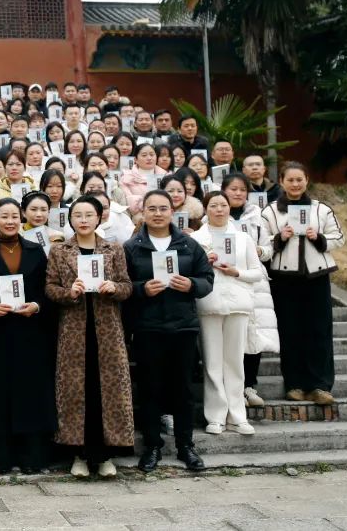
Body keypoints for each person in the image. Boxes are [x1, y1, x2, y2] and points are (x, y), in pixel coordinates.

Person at [124, 190, 214, 473]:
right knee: (150, 389)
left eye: (163, 208)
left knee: (183, 390)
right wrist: (141, 289)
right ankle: (152, 446)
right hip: (148, 328)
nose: (158, 213)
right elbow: (122, 285)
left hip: (183, 327)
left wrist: (191, 286)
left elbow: (207, 280)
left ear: (172, 211)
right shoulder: (132, 247)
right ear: (143, 213)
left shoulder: (188, 245)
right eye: (152, 208)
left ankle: (186, 446)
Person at [45, 196, 134, 478]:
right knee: (75, 390)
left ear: (99, 218)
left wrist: (114, 287)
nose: (83, 220)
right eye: (78, 215)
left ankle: (105, 456)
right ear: (70, 219)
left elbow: (127, 286)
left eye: (89, 215)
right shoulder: (60, 251)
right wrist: (68, 292)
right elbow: (49, 288)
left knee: (105, 391)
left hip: (106, 329)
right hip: (74, 329)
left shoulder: (114, 249)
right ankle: (79, 455)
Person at [260, 162, 345, 405]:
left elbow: (338, 237)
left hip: (316, 277)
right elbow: (261, 242)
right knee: (290, 330)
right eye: (290, 180)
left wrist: (317, 237)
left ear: (307, 180)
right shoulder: (271, 211)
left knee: (319, 330)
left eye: (300, 179)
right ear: (282, 182)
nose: (295, 184)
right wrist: (280, 238)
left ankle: (320, 385)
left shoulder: (321, 209)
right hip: (283, 279)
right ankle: (294, 383)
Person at [0, 199, 57, 473]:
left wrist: (36, 306)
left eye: (15, 216)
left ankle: (32, 456)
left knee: (30, 393)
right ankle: (2, 456)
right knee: (0, 394)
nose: (10, 221)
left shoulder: (36, 251)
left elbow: (46, 290)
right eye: (5, 216)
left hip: (31, 332)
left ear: (22, 217)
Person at [190, 191, 264, 436]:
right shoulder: (197, 239)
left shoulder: (243, 238)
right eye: (213, 205)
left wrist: (236, 272)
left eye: (223, 205)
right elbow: (189, 272)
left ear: (229, 208)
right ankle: (216, 415)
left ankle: (237, 414)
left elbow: (257, 272)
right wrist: (204, 262)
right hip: (209, 304)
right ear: (205, 209)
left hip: (238, 303)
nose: (219, 209)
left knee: (234, 361)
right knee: (212, 362)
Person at [221, 173, 278, 408]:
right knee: (230, 335)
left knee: (253, 333)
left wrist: (257, 251)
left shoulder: (257, 217)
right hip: (225, 280)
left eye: (242, 190)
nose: (237, 193)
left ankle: (249, 386)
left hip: (255, 281)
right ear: (223, 191)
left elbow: (269, 248)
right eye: (232, 189)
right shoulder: (214, 215)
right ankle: (230, 388)